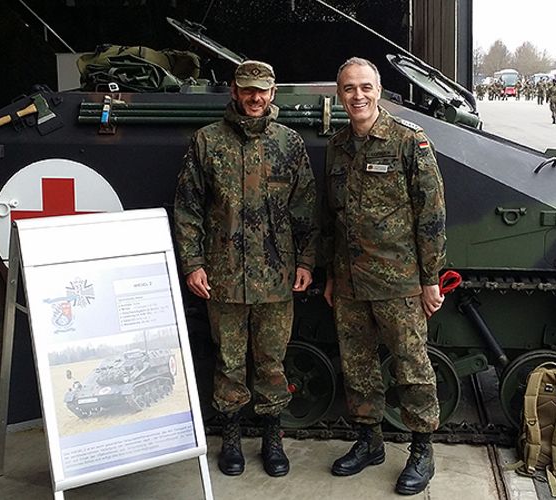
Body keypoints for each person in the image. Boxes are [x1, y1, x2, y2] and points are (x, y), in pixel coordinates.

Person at [174, 60, 319, 478]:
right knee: (229, 361)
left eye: (263, 91)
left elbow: (305, 209)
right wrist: (194, 263)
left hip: (276, 278)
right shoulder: (207, 142)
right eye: (247, 90)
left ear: (273, 94)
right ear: (234, 92)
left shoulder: (289, 144)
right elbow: (188, 209)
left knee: (272, 361)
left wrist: (307, 260)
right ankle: (232, 437)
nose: (255, 98)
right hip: (222, 278)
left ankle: (273, 437)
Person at [322, 56, 446, 496]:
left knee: (412, 367)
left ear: (378, 90)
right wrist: (334, 274)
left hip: (399, 281)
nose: (358, 95)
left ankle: (421, 448)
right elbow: (333, 217)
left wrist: (430, 277)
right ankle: (369, 441)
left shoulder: (408, 141)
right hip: (351, 281)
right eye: (349, 88)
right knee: (359, 367)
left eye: (365, 87)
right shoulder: (337, 146)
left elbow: (431, 214)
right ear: (340, 95)